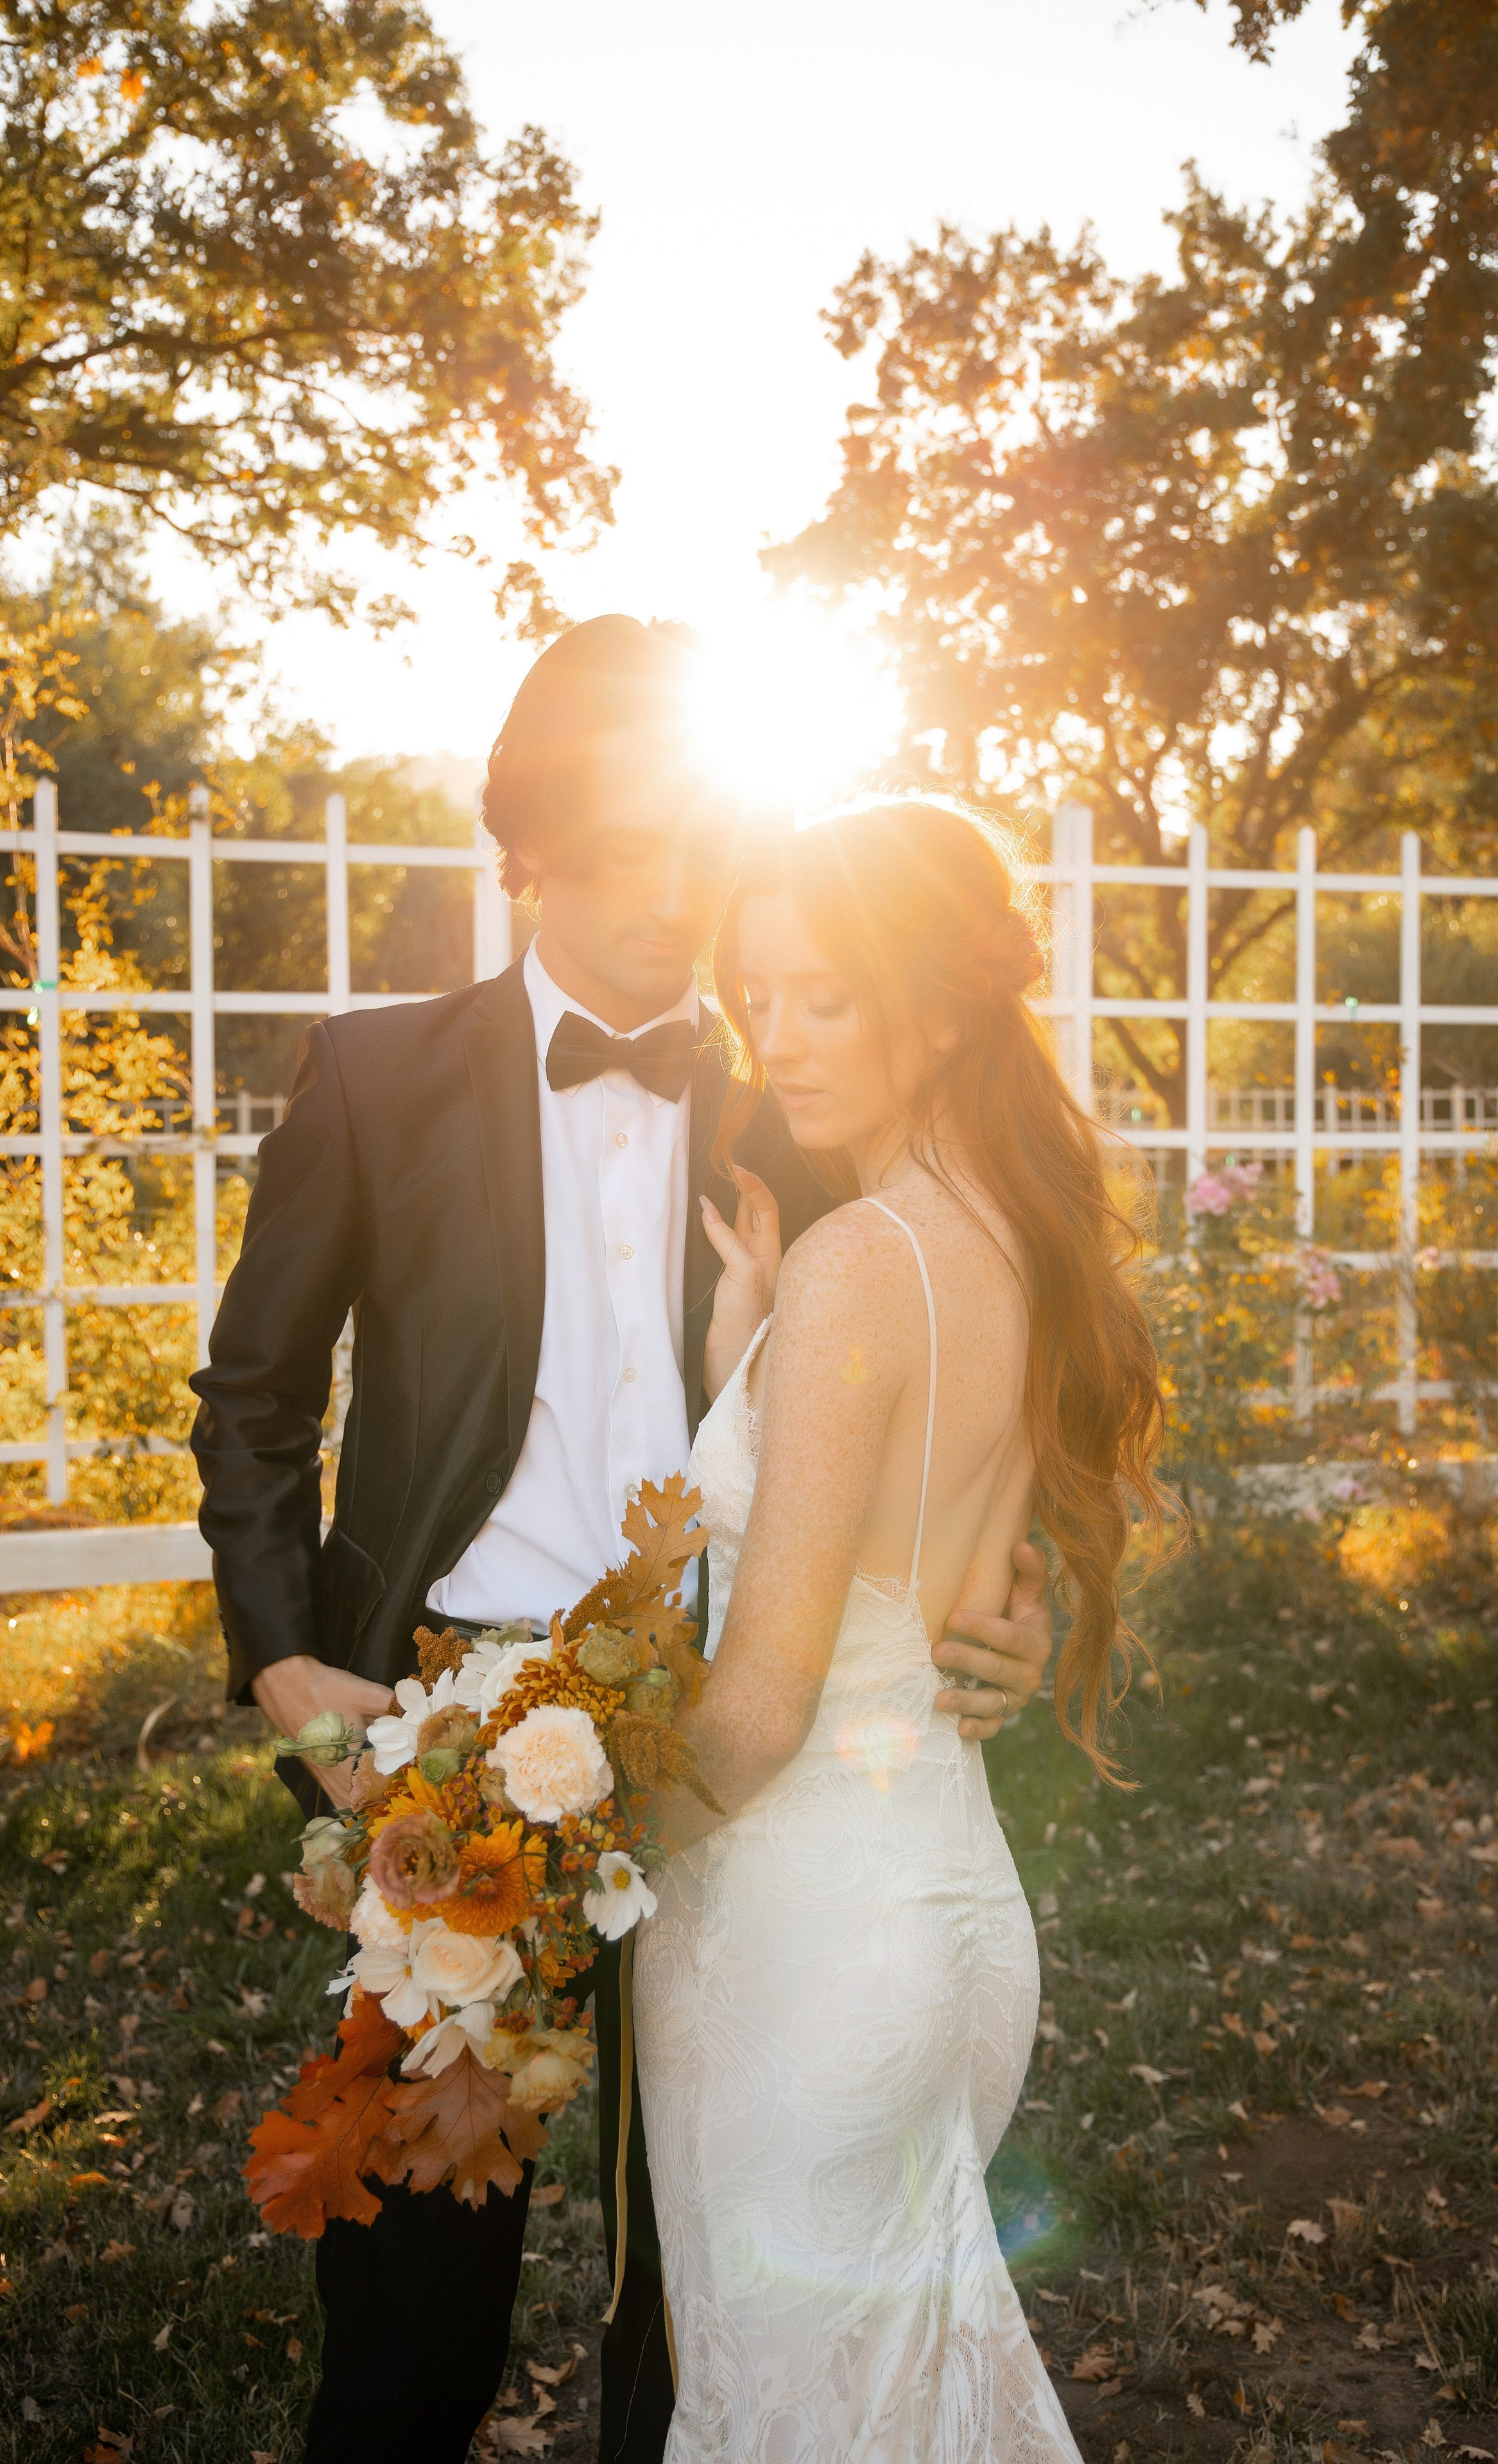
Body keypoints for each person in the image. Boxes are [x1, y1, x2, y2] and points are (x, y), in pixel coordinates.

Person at [188, 619, 1057, 2464]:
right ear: (522, 858)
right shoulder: (377, 1077)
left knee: (710, 2300)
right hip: (438, 1735)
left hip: (728, 1732)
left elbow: (930, 1364)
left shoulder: (799, 1081)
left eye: (697, 855)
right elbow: (252, 1398)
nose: (674, 904)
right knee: (414, 2304)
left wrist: (1008, 1597)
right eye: (624, 860)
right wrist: (281, 1660)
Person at [631, 795, 1170, 2461]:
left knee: (788, 2422)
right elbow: (909, 1540)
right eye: (758, 993)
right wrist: (750, 1348)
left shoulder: (866, 1260)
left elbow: (764, 1704)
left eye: (827, 996)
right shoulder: (1016, 1232)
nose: (777, 1037)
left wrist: (546, 1859)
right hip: (950, 1910)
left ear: (936, 1004)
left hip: (805, 1943)